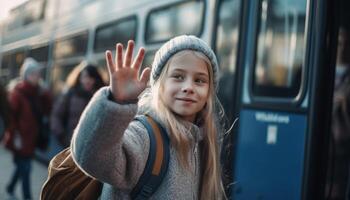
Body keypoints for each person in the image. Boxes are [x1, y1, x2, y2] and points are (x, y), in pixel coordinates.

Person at [71, 35, 226, 199]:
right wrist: (116, 102)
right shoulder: (144, 135)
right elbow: (91, 157)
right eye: (178, 76)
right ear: (159, 84)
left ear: (210, 90)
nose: (188, 87)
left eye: (199, 80)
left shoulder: (203, 141)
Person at [2, 57, 52, 200]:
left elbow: (48, 109)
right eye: (32, 74)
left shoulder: (38, 93)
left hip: (32, 139)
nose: (36, 77)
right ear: (25, 75)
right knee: (26, 169)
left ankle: (10, 186)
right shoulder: (17, 93)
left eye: (37, 74)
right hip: (19, 139)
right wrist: (14, 136)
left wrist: (46, 93)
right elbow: (10, 118)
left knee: (21, 168)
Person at [50, 62, 105, 148]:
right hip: (70, 145)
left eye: (91, 77)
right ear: (79, 78)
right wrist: (62, 136)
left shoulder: (102, 96)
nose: (88, 80)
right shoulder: (70, 94)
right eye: (85, 77)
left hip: (93, 148)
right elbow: (56, 116)